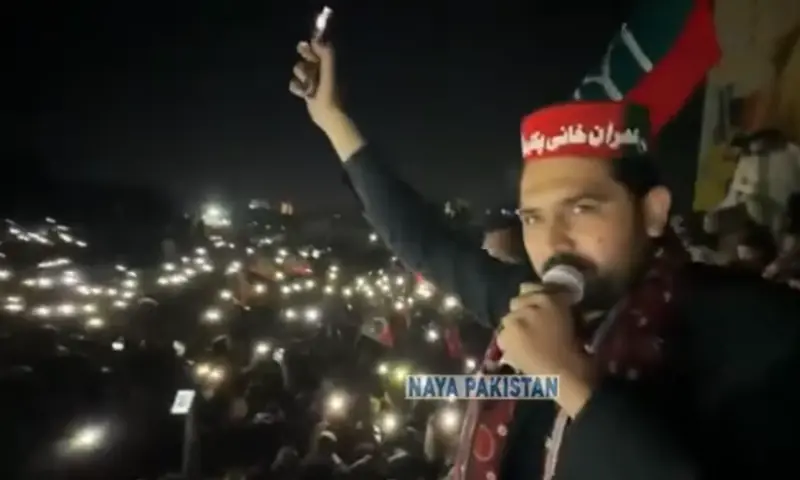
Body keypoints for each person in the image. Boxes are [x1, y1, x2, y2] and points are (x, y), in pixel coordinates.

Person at [289, 47, 800, 480]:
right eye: (533, 217)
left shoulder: (761, 330)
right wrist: (334, 120)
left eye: (581, 208)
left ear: (653, 212)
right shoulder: (529, 302)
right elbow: (425, 242)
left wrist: (573, 382)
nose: (552, 241)